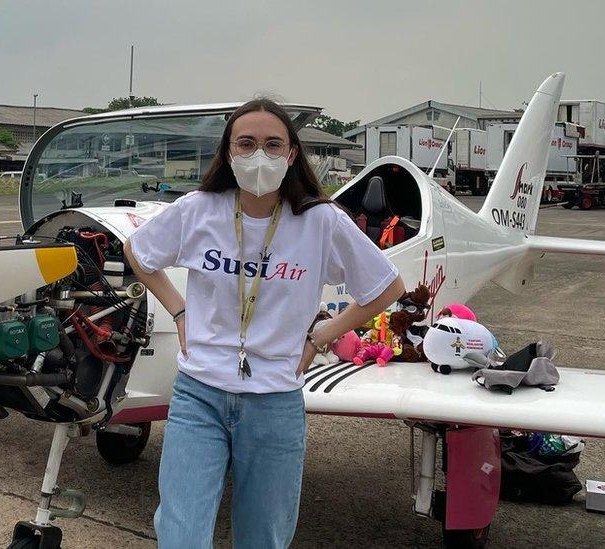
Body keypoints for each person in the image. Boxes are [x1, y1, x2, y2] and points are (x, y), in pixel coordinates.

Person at [124, 98, 404, 548]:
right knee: (180, 534)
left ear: (292, 154)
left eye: (273, 145)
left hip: (274, 400)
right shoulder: (200, 209)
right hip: (200, 394)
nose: (260, 155)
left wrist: (323, 335)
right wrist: (179, 310)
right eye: (247, 144)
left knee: (264, 537)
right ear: (229, 152)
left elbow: (386, 287)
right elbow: (138, 252)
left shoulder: (320, 221)